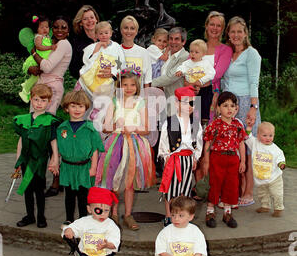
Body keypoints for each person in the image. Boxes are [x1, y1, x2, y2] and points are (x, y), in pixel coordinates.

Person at [95, 69, 155, 230]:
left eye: (132, 85)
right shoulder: (114, 102)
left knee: (129, 181)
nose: (128, 88)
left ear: (137, 86)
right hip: (116, 144)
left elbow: (147, 128)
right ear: (119, 86)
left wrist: (133, 127)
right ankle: (113, 213)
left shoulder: (140, 103)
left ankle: (128, 214)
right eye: (124, 85)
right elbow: (106, 127)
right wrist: (116, 125)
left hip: (134, 144)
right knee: (115, 179)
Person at [29, 15, 72, 197]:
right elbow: (39, 67)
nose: (59, 30)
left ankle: (55, 179)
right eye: (56, 27)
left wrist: (33, 53)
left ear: (68, 30)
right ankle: (43, 176)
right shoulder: (50, 43)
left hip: (52, 89)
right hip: (41, 87)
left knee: (47, 133)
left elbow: (46, 66)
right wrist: (32, 67)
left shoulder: (63, 45)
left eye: (63, 27)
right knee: (37, 131)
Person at [222, 16, 262, 206]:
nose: (236, 35)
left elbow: (254, 82)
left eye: (240, 31)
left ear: (245, 33)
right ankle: (234, 188)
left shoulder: (251, 54)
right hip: (229, 105)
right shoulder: (228, 53)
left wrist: (254, 108)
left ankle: (248, 191)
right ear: (228, 34)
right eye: (233, 31)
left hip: (246, 103)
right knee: (232, 147)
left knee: (248, 148)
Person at [53, 90, 105, 224]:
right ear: (66, 108)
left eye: (81, 106)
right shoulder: (62, 128)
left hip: (84, 168)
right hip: (67, 167)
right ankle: (69, 219)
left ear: (86, 108)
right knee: (69, 195)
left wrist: (93, 167)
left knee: (83, 196)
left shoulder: (90, 128)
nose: (77, 109)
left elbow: (95, 150)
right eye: (73, 106)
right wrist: (54, 162)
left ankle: (84, 220)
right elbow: (57, 148)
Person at [14, 84, 59, 228]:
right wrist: (18, 158)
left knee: (39, 189)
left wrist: (55, 159)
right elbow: (21, 140)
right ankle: (30, 215)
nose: (39, 104)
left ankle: (40, 216)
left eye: (43, 100)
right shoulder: (23, 119)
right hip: (25, 159)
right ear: (31, 100)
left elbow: (53, 142)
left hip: (39, 160)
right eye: (36, 100)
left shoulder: (50, 121)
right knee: (27, 188)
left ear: (49, 102)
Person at [158, 86, 203, 226]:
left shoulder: (195, 123)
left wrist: (196, 156)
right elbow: (164, 143)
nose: (190, 106)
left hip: (188, 160)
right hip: (174, 160)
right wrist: (165, 157)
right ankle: (169, 216)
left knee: (185, 188)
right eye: (186, 102)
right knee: (171, 189)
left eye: (192, 103)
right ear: (177, 103)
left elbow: (198, 142)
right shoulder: (170, 122)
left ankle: (182, 215)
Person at [203, 91, 248, 229]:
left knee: (231, 185)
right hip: (217, 157)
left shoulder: (238, 125)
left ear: (237, 109)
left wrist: (243, 161)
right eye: (225, 105)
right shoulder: (214, 125)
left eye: (232, 106)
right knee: (214, 184)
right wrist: (206, 162)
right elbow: (208, 144)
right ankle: (210, 212)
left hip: (233, 158)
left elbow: (241, 143)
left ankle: (227, 213)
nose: (229, 109)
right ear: (218, 108)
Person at [245, 121, 286, 217]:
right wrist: (249, 127)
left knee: (277, 194)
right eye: (265, 135)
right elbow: (247, 136)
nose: (268, 138)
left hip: (274, 177)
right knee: (262, 193)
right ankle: (265, 206)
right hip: (260, 177)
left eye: (270, 135)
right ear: (258, 135)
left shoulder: (275, 149)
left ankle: (278, 208)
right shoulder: (255, 143)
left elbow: (280, 157)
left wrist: (281, 164)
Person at [19, 15, 57, 103]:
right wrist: (50, 47)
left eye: (47, 27)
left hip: (41, 60)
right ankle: (25, 90)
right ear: (37, 29)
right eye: (42, 27)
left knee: (37, 78)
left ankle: (27, 85)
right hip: (35, 61)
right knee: (35, 78)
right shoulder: (38, 37)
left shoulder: (47, 37)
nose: (45, 29)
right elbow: (39, 47)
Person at [151, 27, 189, 115]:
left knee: (173, 127)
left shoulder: (185, 57)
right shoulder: (163, 52)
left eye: (177, 39)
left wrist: (149, 83)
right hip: (158, 100)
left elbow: (170, 77)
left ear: (183, 42)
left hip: (175, 102)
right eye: (170, 39)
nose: (173, 42)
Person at [120, 15, 152, 88]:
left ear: (136, 31)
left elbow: (147, 79)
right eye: (126, 28)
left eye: (132, 28)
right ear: (121, 30)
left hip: (138, 97)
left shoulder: (144, 52)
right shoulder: (114, 51)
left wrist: (146, 98)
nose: (129, 31)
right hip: (118, 96)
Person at [69, 5, 100, 80]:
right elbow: (73, 69)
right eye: (85, 19)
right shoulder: (76, 43)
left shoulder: (106, 37)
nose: (90, 21)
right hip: (87, 82)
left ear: (96, 19)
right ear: (80, 23)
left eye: (92, 18)